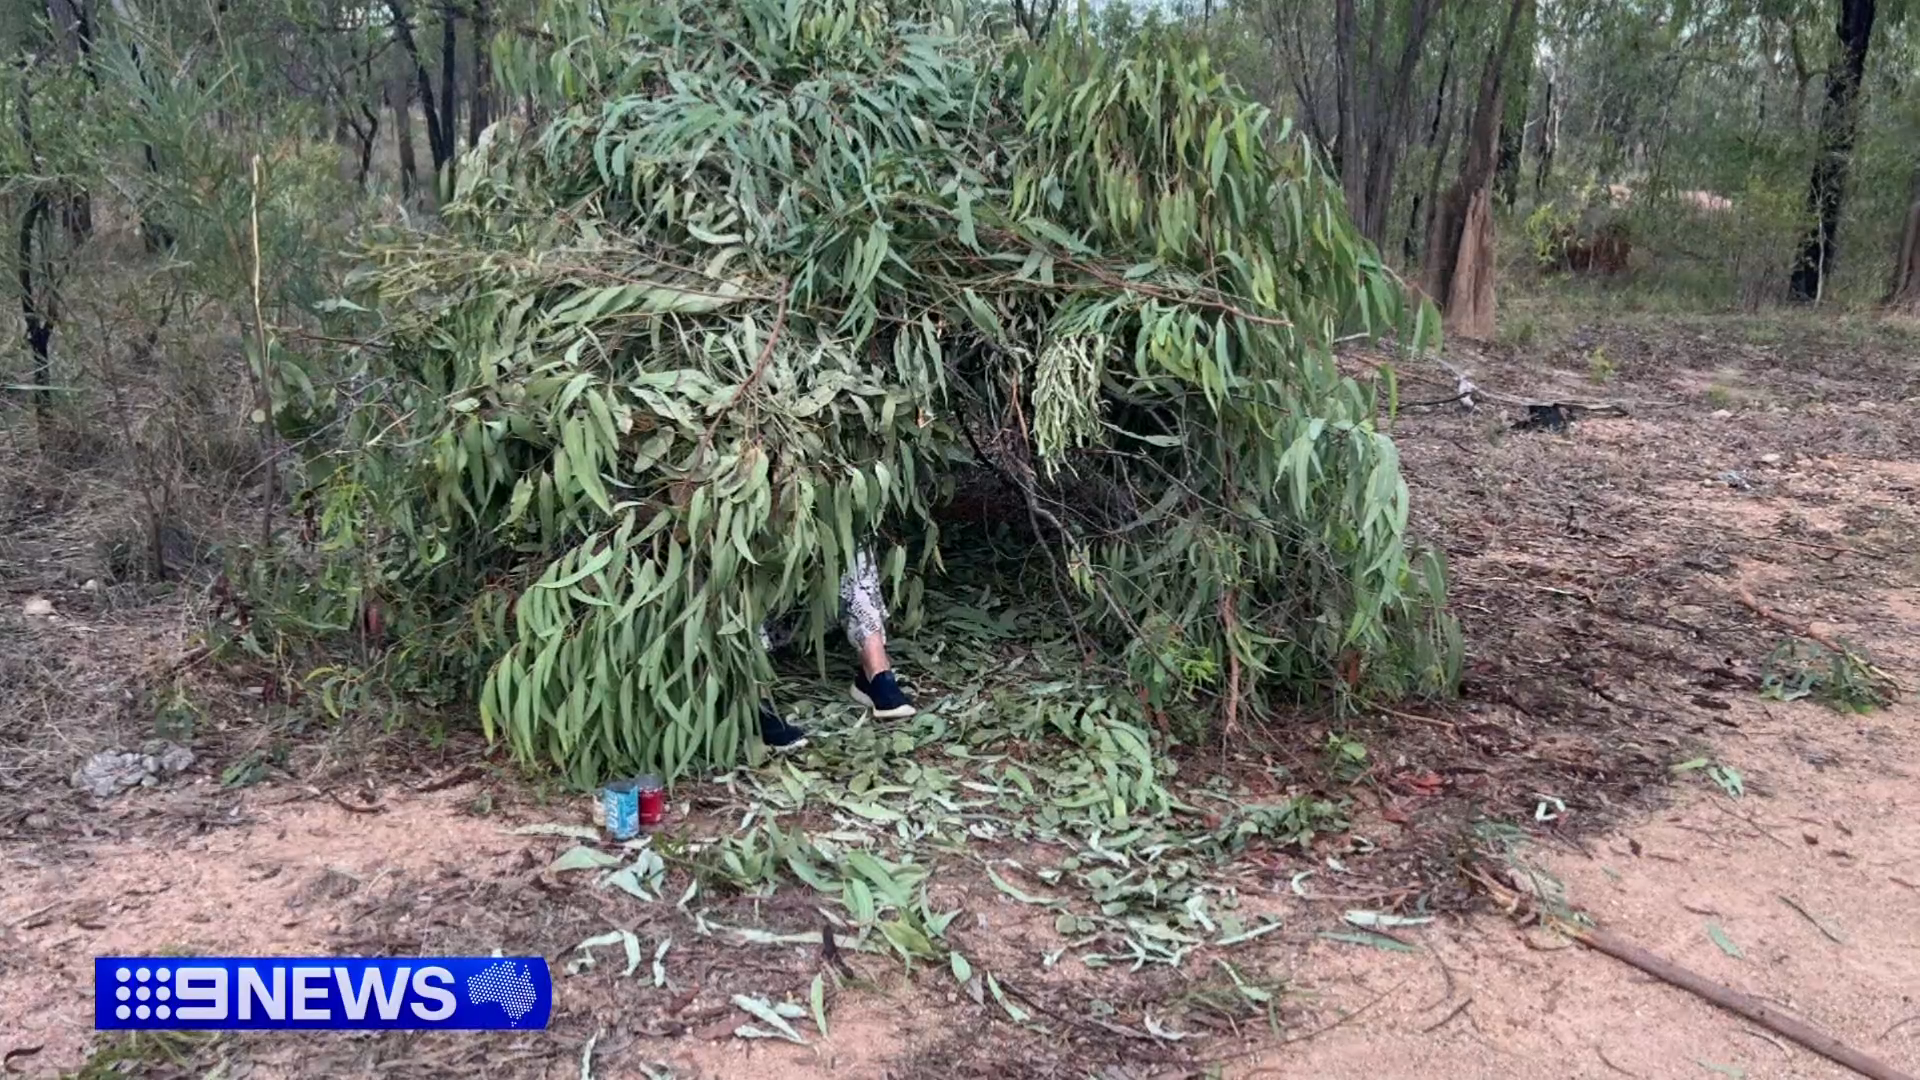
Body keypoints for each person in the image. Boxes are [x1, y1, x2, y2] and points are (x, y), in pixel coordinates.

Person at [757, 549, 916, 751]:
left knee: (853, 540)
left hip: (806, 597)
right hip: (761, 602)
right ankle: (752, 696)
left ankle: (876, 672)